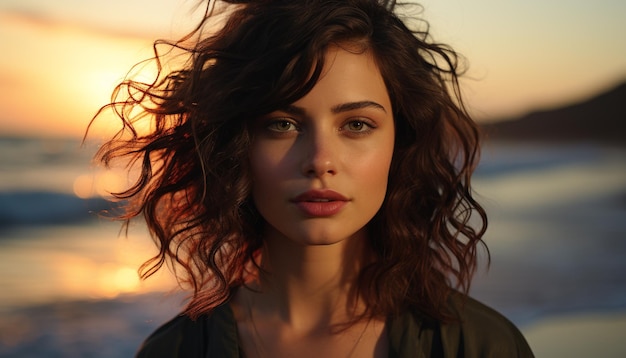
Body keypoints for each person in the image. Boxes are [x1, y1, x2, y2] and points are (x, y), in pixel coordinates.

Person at [91, 0, 534, 356]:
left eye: (357, 125)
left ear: (400, 144)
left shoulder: (481, 346)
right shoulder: (175, 351)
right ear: (234, 147)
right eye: (282, 124)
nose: (321, 161)